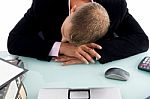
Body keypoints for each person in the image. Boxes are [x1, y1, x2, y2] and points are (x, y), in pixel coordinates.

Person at [7, 0, 149, 65]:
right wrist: (61, 47)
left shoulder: (115, 5)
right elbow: (14, 41)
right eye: (64, 33)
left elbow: (141, 40)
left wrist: (92, 53)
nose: (63, 39)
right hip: (53, 68)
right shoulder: (44, 3)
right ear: (72, 10)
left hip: (95, 71)